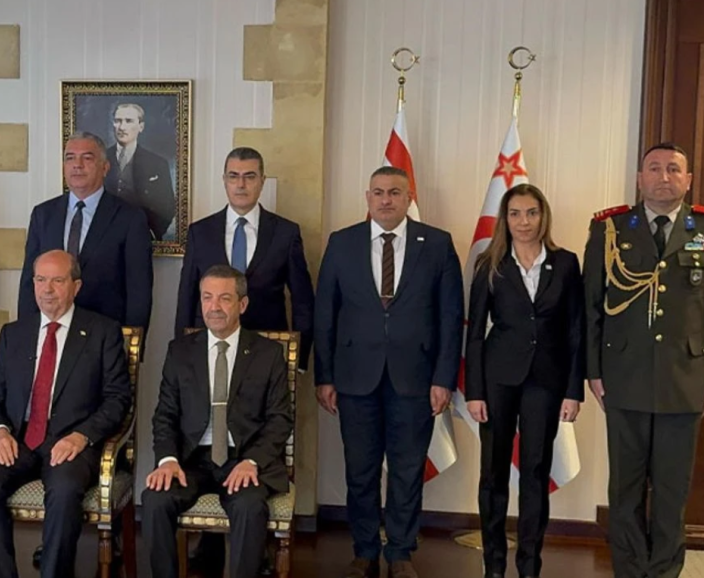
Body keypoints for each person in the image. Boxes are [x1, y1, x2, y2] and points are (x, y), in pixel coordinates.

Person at [314, 166, 464, 578]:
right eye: (378, 192)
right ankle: (364, 551)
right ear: (367, 197)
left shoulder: (437, 244)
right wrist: (324, 376)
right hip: (354, 377)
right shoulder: (342, 242)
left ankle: (400, 552)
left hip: (415, 378)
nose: (385, 200)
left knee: (407, 470)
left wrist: (443, 378)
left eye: (394, 192)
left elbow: (451, 317)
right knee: (360, 471)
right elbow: (325, 314)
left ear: (408, 197)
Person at [0, 249, 131, 578]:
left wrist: (81, 436)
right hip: (19, 438)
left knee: (66, 490)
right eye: (40, 280)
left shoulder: (102, 332)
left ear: (76, 286)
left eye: (57, 280)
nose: (47, 289)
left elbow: (117, 400)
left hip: (71, 442)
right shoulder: (14, 333)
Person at [584, 142, 704, 578]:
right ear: (639, 178)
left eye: (673, 169)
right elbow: (591, 306)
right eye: (654, 168)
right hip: (624, 377)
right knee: (625, 487)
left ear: (688, 180)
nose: (663, 176)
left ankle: (665, 572)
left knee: (672, 490)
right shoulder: (610, 230)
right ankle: (630, 570)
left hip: (685, 379)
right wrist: (593, 371)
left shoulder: (701, 228)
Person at [465, 184, 585, 578]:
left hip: (545, 382)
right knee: (493, 473)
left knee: (535, 471)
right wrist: (474, 391)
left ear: (543, 216)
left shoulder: (565, 263)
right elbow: (474, 332)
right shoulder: (490, 263)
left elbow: (576, 331)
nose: (524, 222)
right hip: (498, 379)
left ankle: (530, 566)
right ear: (505, 218)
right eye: (515, 213)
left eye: (531, 213)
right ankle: (494, 565)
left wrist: (573, 391)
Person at [143, 264, 293, 578]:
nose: (214, 307)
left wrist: (252, 461)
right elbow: (165, 415)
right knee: (155, 500)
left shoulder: (268, 354)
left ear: (243, 304)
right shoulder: (180, 351)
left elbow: (279, 419)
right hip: (191, 460)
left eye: (224, 298)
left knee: (249, 506)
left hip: (244, 459)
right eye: (207, 297)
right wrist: (167, 460)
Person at [175, 147, 314, 369]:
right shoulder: (200, 232)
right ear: (224, 180)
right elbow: (187, 296)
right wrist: (182, 352)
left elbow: (302, 301)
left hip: (268, 347)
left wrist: (299, 358)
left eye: (249, 176)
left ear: (262, 181)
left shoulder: (285, 233)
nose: (241, 184)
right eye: (234, 176)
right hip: (210, 345)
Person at [18, 132, 153, 332]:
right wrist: (25, 334)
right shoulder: (43, 214)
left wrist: (131, 341)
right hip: (51, 332)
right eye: (70, 158)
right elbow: (29, 281)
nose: (77, 165)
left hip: (104, 335)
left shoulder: (129, 218)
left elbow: (139, 290)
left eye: (87, 158)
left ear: (105, 168)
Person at [104, 102, 177, 240]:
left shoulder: (157, 163)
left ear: (141, 127)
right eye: (118, 121)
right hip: (104, 239)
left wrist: (149, 233)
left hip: (142, 239)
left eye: (128, 121)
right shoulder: (100, 160)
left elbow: (167, 206)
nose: (122, 127)